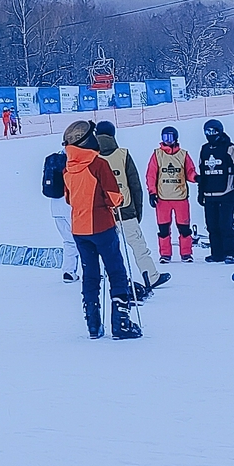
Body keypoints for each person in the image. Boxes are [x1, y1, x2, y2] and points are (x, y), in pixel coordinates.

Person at [41, 121, 140, 339]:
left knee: (90, 273)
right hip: (102, 225)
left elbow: (68, 197)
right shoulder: (98, 164)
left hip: (79, 228)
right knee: (116, 270)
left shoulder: (68, 167)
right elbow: (114, 197)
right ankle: (121, 322)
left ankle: (93, 323)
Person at [93, 121, 166, 294]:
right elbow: (135, 185)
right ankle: (151, 276)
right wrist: (137, 211)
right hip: (126, 210)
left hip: (104, 212)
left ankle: (108, 278)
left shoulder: (93, 157)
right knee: (139, 246)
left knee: (107, 248)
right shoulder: (123, 154)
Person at [196, 120, 234, 265]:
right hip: (209, 194)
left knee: (226, 224)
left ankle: (231, 252)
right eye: (207, 132)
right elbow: (202, 172)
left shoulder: (229, 147)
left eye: (213, 131)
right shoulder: (204, 149)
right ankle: (216, 253)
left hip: (227, 193)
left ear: (219, 131)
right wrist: (200, 192)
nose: (210, 135)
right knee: (211, 225)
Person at [145, 126, 196, 263]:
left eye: (170, 137)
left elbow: (189, 171)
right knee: (163, 229)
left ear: (175, 138)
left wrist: (196, 178)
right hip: (163, 198)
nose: (167, 141)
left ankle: (186, 253)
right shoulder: (157, 154)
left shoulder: (183, 154)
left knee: (184, 228)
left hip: (180, 197)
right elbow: (151, 175)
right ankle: (165, 254)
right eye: (164, 138)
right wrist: (152, 193)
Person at [41, 152, 82, 283]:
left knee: (69, 241)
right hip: (69, 205)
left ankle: (68, 272)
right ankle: (93, 271)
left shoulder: (52, 160)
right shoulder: (71, 160)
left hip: (55, 206)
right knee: (85, 239)